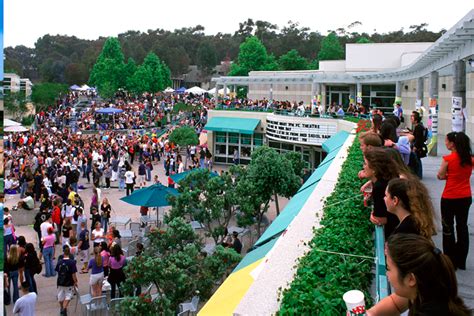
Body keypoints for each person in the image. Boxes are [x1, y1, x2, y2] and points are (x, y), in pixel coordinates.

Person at [367, 234, 470, 316]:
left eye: (388, 268)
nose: (386, 273)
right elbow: (396, 303)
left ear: (411, 279)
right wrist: (371, 313)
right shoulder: (428, 290)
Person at [437, 131, 473, 270]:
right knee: (462, 227)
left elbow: (440, 176)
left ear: (452, 144)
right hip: (465, 196)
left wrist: (448, 175)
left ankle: (450, 259)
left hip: (450, 197)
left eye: (446, 141)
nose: (445, 143)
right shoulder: (469, 159)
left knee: (448, 227)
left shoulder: (448, 159)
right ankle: (461, 260)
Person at [362, 148, 400, 238]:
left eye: (365, 164)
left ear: (374, 169)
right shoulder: (388, 179)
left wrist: (372, 215)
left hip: (393, 234)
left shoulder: (379, 187)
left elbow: (379, 219)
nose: (363, 167)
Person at [55, 245, 78, 316]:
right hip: (69, 282)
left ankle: (62, 308)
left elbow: (58, 272)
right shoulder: (72, 262)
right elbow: (73, 274)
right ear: (69, 253)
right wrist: (75, 281)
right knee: (68, 296)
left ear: (63, 253)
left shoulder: (59, 262)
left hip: (60, 282)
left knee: (60, 296)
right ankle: (64, 309)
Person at [410, 111, 427, 179]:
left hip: (418, 146)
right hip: (418, 145)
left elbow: (418, 138)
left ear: (416, 119)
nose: (411, 118)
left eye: (412, 117)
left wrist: (415, 147)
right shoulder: (418, 126)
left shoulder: (418, 127)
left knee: (417, 160)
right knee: (417, 159)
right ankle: (418, 174)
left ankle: (418, 175)